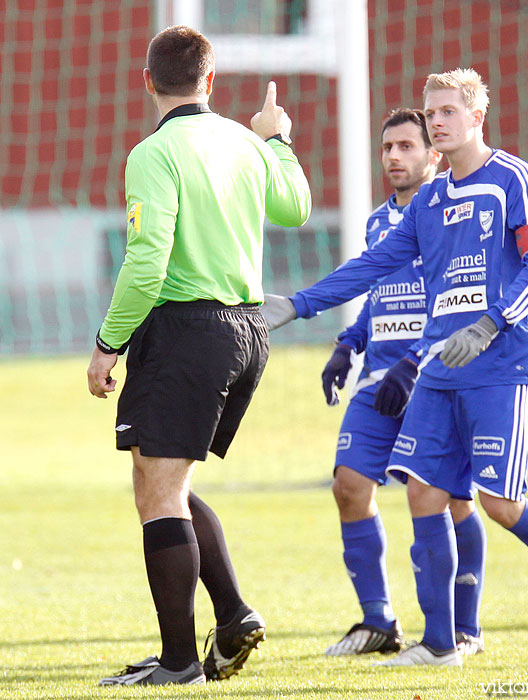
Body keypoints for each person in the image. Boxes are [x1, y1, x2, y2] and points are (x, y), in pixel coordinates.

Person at [263, 68, 528, 668]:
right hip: (435, 368)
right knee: (424, 494)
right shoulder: (429, 201)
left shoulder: (516, 180)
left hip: (499, 365)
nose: (435, 121)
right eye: (429, 112)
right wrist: (299, 305)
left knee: (499, 505)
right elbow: (373, 265)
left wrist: (490, 324)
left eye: (446, 112)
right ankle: (439, 645)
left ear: (476, 117)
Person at [86, 25, 311, 686]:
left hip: (188, 332)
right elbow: (295, 207)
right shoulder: (247, 142)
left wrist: (108, 344)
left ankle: (180, 663)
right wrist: (276, 137)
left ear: (148, 81)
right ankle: (234, 614)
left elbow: (148, 259)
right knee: (169, 486)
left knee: (158, 494)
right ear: (209, 82)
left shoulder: (154, 153)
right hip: (248, 330)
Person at [320, 108, 486, 659]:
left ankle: (464, 630)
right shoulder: (376, 223)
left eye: (407, 147)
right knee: (348, 485)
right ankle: (378, 621)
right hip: (378, 380)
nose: (394, 157)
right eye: (387, 147)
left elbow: (455, 301)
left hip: (434, 376)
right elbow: (378, 292)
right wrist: (349, 344)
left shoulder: (452, 217)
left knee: (451, 500)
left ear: (433, 155)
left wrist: (414, 360)